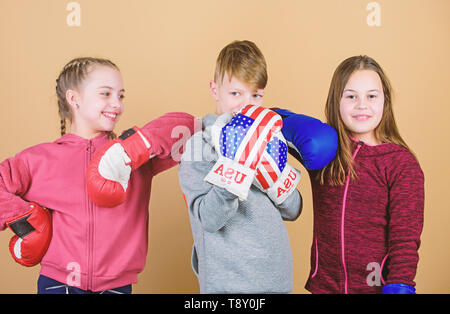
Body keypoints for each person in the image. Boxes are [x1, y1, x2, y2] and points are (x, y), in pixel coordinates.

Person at [0, 57, 194, 294]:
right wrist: (25, 220)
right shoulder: (39, 159)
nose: (117, 104)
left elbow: (190, 130)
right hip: (58, 284)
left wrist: (134, 146)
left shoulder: (132, 157)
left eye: (121, 96)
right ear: (74, 99)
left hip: (116, 287)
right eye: (105, 93)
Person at [178, 40, 336, 293]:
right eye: (235, 93)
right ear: (214, 89)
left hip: (276, 277)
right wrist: (234, 169)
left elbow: (293, 210)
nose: (246, 104)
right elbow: (208, 220)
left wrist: (274, 177)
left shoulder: (271, 138)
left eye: (256, 95)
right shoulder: (199, 148)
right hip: (228, 283)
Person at [301, 55, 424, 294]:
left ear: (384, 101)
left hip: (373, 289)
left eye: (371, 95)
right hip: (323, 288)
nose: (362, 105)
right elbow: (276, 130)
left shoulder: (400, 164)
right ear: (336, 101)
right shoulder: (323, 152)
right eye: (351, 96)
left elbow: (405, 242)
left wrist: (399, 286)